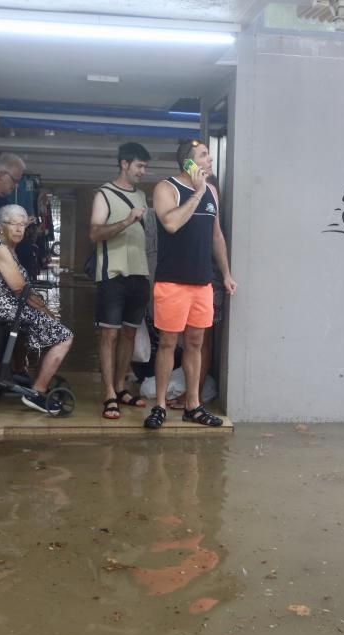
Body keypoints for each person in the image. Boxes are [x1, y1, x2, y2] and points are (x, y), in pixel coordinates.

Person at [144, 140, 237, 429]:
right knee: (169, 343)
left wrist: (225, 273)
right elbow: (171, 223)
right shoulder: (166, 188)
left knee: (196, 343)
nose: (210, 161)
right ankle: (159, 405)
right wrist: (196, 195)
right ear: (188, 163)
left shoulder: (212, 192)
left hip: (202, 282)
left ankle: (192, 405)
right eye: (204, 156)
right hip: (172, 282)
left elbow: (216, 235)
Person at [0, 204, 73, 413]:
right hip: (7, 309)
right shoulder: (0, 250)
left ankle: (39, 378)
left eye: (22, 224)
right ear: (2, 226)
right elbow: (21, 291)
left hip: (8, 307)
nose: (19, 229)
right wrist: (48, 314)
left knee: (51, 333)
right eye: (14, 224)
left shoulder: (7, 249)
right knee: (64, 337)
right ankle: (37, 392)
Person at [89, 142, 152, 419]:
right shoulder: (104, 194)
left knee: (129, 333)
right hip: (112, 275)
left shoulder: (142, 195)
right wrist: (126, 221)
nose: (143, 171)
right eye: (139, 165)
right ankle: (108, 394)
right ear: (124, 164)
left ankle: (121, 386)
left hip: (140, 274)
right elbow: (95, 234)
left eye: (144, 167)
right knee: (109, 334)